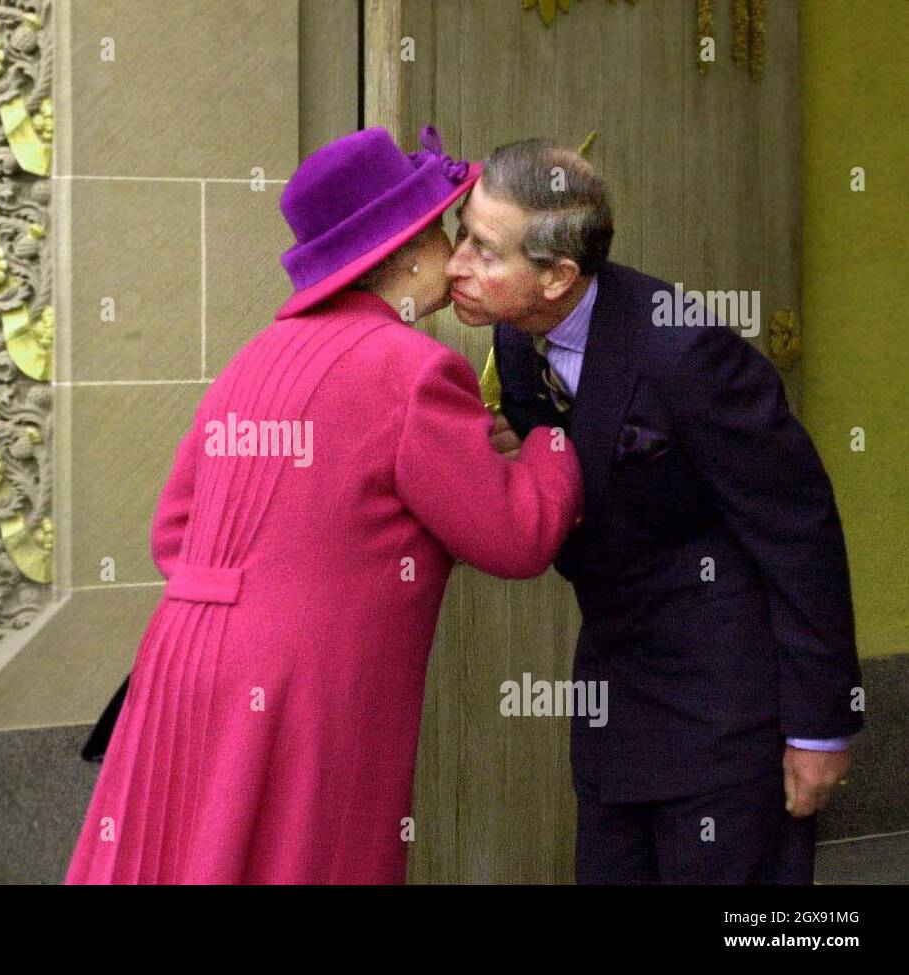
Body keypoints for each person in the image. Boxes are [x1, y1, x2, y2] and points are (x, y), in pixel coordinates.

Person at [65, 127, 583, 884]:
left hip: (182, 662)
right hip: (300, 685)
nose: (457, 252)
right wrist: (552, 444)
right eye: (443, 233)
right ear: (404, 251)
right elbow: (516, 535)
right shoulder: (412, 366)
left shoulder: (259, 353)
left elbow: (172, 531)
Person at [455, 139, 862, 884]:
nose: (457, 265)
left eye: (484, 249)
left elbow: (800, 529)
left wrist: (820, 726)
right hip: (616, 697)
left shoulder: (685, 353)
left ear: (558, 276)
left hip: (724, 706)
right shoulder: (516, 343)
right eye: (462, 234)